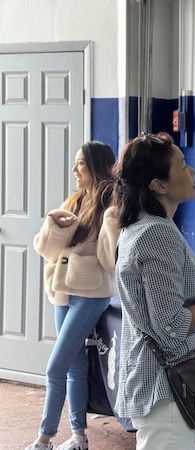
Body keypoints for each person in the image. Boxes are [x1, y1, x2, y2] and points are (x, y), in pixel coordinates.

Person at [112, 132, 195, 450]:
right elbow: (171, 327)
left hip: (158, 385)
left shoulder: (144, 226)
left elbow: (160, 300)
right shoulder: (157, 234)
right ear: (158, 185)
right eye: (183, 166)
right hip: (166, 389)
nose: (193, 172)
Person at [27, 141, 119, 450]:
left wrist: (111, 219)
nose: (74, 169)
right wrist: (55, 226)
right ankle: (79, 437)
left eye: (80, 164)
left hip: (91, 293)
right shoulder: (75, 200)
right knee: (75, 365)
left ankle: (44, 438)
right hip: (64, 291)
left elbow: (110, 261)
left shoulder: (111, 204)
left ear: (96, 166)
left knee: (56, 367)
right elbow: (48, 251)